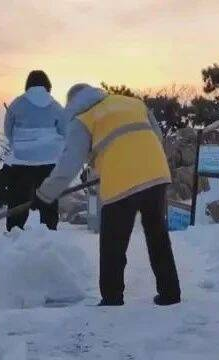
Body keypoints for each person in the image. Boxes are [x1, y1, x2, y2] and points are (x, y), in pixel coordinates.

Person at [33, 84, 181, 306]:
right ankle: (170, 293)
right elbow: (156, 136)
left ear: (72, 103)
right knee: (157, 235)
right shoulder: (132, 103)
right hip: (155, 172)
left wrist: (45, 194)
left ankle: (112, 297)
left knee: (113, 241)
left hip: (120, 179)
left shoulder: (83, 118)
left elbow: (70, 162)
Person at [3, 70, 68, 231]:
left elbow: (8, 130)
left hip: (21, 160)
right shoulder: (56, 106)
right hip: (49, 161)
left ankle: (14, 233)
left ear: (28, 85)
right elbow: (64, 131)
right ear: (47, 86)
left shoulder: (17, 104)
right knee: (48, 200)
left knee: (18, 200)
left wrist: (17, 145)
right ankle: (49, 232)